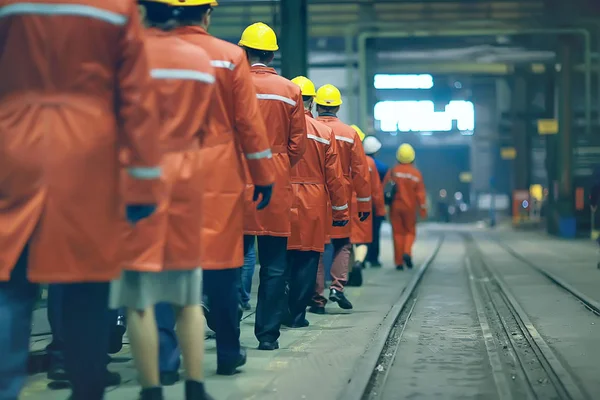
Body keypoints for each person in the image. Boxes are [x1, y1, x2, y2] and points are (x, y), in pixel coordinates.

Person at [0, 1, 161, 399]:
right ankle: (87, 388)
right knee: (86, 283)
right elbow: (137, 102)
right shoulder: (115, 7)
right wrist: (142, 187)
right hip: (88, 152)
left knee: (10, 283)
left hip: (13, 143)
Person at [108, 1, 216, 399]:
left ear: (142, 12)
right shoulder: (199, 60)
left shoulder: (128, 56)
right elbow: (209, 127)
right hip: (187, 179)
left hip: (139, 176)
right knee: (188, 294)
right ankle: (195, 386)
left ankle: (151, 388)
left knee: (139, 297)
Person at [169, 0, 275, 375]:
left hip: (162, 174)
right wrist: (263, 175)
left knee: (168, 267)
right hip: (218, 178)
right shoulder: (230, 58)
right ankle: (228, 352)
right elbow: (248, 124)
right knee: (223, 271)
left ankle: (166, 360)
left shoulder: (146, 51)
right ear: (207, 14)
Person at [237, 22, 306, 351]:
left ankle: (228, 331)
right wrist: (277, 162)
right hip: (275, 180)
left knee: (231, 258)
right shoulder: (291, 90)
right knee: (274, 264)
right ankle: (267, 336)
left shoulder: (232, 83)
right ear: (272, 53)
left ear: (244, 50)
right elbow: (298, 146)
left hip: (235, 177)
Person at [285, 76, 349, 327]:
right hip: (313, 201)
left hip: (283, 197)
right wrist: (341, 211)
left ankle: (279, 311)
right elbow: (336, 177)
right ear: (312, 102)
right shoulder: (324, 133)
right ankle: (298, 316)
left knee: (280, 261)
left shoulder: (279, 130)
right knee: (309, 259)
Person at [309, 84, 371, 314]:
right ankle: (337, 288)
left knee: (316, 247)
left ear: (316, 105)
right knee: (342, 244)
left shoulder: (310, 129)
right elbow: (360, 173)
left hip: (313, 196)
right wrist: (364, 204)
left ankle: (316, 299)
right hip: (341, 197)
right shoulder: (349, 133)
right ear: (337, 107)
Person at [348, 130, 386, 287]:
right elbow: (376, 189)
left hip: (346, 204)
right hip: (364, 204)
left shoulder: (342, 158)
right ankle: (358, 262)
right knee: (362, 238)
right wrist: (380, 210)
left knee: (348, 240)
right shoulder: (369, 163)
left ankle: (347, 272)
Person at [383, 144, 427, 270]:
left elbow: (385, 188)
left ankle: (399, 262)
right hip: (410, 208)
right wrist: (423, 209)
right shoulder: (416, 174)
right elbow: (420, 193)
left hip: (395, 207)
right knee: (409, 232)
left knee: (397, 233)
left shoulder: (393, 171)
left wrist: (384, 206)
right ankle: (407, 252)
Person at [363, 135, 388, 267]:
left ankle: (361, 259)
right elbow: (378, 190)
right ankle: (373, 259)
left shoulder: (358, 162)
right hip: (374, 204)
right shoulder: (383, 168)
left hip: (359, 204)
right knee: (375, 233)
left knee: (361, 234)